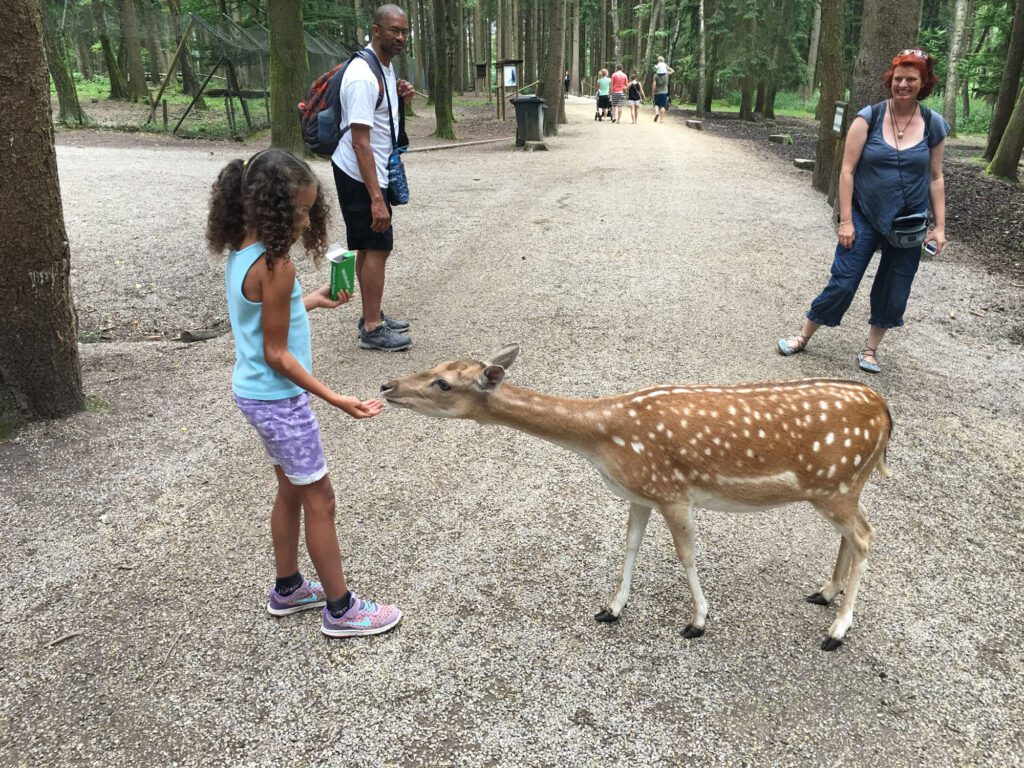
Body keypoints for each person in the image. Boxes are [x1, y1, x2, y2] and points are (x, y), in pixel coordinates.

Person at [207, 148, 402, 639]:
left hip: (253, 393)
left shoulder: (243, 254)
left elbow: (263, 323)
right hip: (278, 399)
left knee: (292, 488)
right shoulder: (275, 266)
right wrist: (334, 398)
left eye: (307, 211)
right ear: (270, 207)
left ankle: (289, 586)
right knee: (321, 497)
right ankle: (341, 610)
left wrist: (312, 300)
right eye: (296, 211)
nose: (302, 222)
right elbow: (277, 352)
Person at [778, 49, 948, 373]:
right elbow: (847, 171)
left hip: (908, 223)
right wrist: (846, 220)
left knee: (894, 286)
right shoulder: (867, 117)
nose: (903, 84)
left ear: (923, 83)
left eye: (911, 79)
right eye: (898, 78)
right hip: (864, 213)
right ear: (890, 80)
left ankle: (870, 350)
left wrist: (939, 228)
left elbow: (936, 176)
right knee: (843, 280)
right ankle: (804, 335)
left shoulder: (933, 125)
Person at [332, 4, 415, 351]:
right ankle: (371, 327)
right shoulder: (363, 76)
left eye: (404, 32)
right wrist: (376, 198)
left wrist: (400, 100)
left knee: (370, 245)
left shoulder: (381, 68)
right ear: (376, 30)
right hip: (359, 172)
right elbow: (360, 141)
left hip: (371, 169)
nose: (400, 37)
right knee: (379, 245)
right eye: (393, 30)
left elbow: (380, 125)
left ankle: (372, 311)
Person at [651, 56, 674, 122]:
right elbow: (672, 71)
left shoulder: (655, 75)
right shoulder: (666, 74)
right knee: (663, 106)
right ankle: (661, 119)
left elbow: (654, 84)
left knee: (656, 104)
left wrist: (653, 92)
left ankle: (657, 113)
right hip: (664, 92)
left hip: (657, 92)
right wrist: (667, 67)